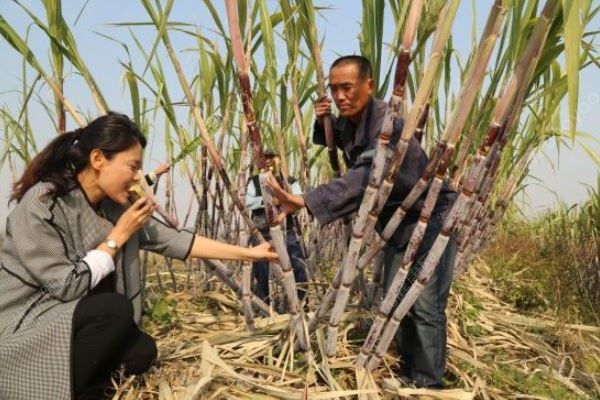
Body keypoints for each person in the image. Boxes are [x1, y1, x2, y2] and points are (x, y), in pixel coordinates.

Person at [0, 112, 277, 400]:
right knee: (114, 310)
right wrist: (118, 236)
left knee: (142, 352)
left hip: (72, 317)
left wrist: (251, 254)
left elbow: (176, 240)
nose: (137, 177)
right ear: (98, 159)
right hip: (24, 322)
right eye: (133, 166)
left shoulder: (113, 207)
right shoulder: (42, 205)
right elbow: (66, 286)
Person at [267, 55, 457, 388]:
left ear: (369, 86)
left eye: (347, 88)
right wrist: (321, 122)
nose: (340, 96)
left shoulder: (389, 123)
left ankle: (429, 385)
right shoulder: (349, 121)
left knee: (425, 304)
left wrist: (306, 201)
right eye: (334, 89)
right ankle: (410, 373)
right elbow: (332, 139)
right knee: (398, 299)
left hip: (430, 220)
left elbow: (370, 173)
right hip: (397, 223)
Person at [245, 149, 308, 304]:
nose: (267, 160)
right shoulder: (253, 181)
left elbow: (299, 200)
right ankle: (263, 308)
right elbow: (248, 202)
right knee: (261, 271)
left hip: (287, 231)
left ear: (279, 159)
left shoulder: (290, 181)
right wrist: (268, 200)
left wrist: (283, 199)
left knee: (298, 266)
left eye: (271, 157)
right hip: (262, 232)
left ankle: (302, 304)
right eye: (264, 157)